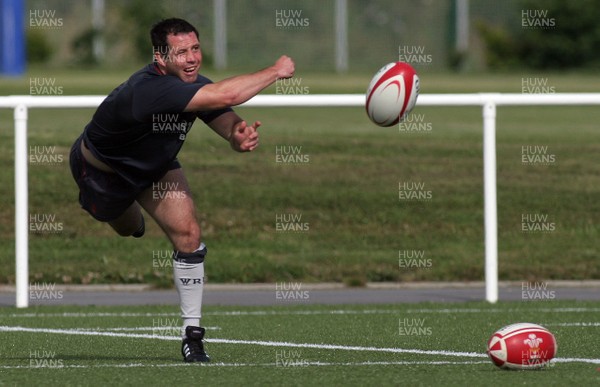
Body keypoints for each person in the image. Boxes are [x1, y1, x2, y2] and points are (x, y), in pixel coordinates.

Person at [69, 18, 295, 362]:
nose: (191, 59)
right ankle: (131, 216)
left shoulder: (192, 85)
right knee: (129, 228)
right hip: (103, 175)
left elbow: (227, 120)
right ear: (160, 58)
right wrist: (277, 70)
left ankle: (193, 336)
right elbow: (229, 93)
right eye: (181, 53)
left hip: (156, 170)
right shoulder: (149, 89)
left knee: (189, 236)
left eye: (195, 49)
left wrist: (240, 136)